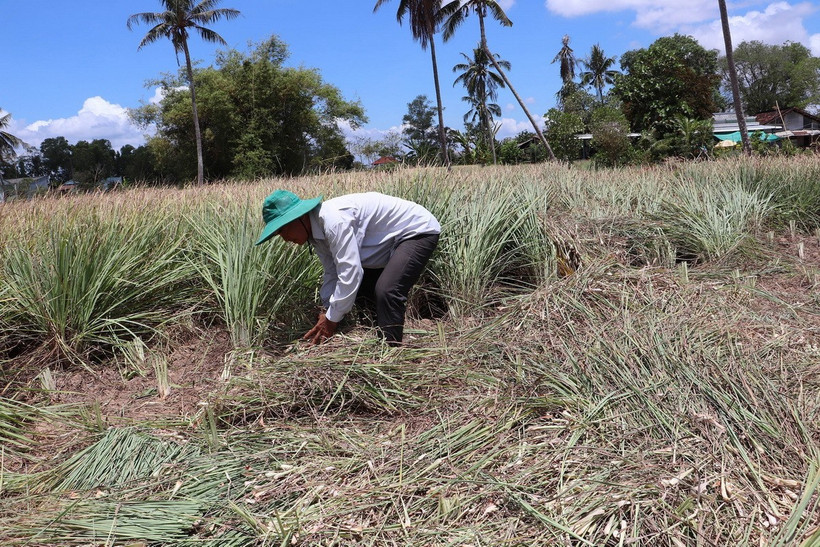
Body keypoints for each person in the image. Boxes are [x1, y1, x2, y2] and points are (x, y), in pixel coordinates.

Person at [256, 189, 440, 346]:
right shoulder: (315, 234)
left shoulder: (333, 221)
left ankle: (391, 352)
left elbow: (350, 272)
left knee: (387, 290)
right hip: (385, 243)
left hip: (415, 230)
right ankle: (372, 341)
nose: (285, 238)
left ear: (300, 217)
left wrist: (331, 320)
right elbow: (332, 271)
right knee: (361, 291)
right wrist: (327, 310)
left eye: (283, 230)